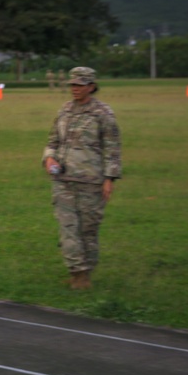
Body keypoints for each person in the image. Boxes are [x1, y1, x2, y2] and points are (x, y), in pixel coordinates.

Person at [42, 67, 121, 290]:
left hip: (91, 182)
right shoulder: (65, 110)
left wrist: (109, 179)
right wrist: (49, 159)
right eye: (73, 85)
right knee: (68, 229)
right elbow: (52, 141)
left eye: (80, 84)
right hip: (63, 181)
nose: (75, 89)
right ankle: (77, 272)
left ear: (91, 86)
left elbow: (112, 149)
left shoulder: (103, 114)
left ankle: (86, 270)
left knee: (88, 231)